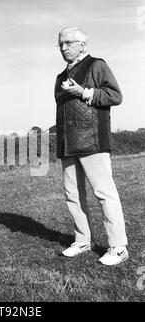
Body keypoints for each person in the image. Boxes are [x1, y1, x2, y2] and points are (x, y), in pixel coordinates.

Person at [54, 26, 128, 265]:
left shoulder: (97, 65)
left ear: (82, 45)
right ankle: (82, 240)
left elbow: (115, 96)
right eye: (60, 44)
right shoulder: (59, 77)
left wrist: (84, 92)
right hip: (68, 144)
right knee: (73, 196)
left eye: (68, 43)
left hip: (93, 141)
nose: (63, 48)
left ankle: (118, 247)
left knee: (105, 194)